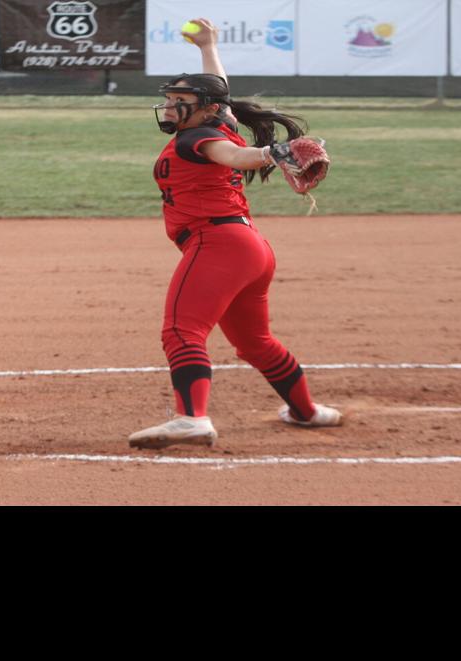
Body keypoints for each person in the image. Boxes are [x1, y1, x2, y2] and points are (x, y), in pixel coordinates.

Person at [128, 17, 342, 450]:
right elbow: (220, 93)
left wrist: (269, 153)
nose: (169, 107)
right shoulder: (216, 121)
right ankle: (307, 411)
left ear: (204, 109)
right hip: (250, 250)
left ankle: (192, 419)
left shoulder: (198, 140)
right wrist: (208, 47)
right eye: (169, 99)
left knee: (181, 330)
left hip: (217, 246)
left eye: (179, 101)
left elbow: (235, 156)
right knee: (255, 343)